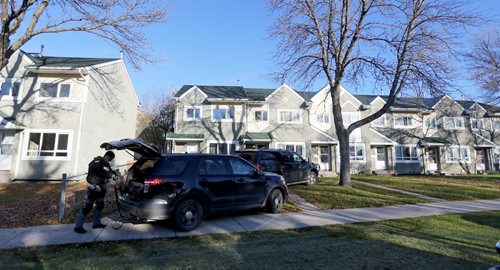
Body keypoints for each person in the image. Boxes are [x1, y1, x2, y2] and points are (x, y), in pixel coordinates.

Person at [74, 151, 116, 234]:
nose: (109, 161)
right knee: (88, 206)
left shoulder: (105, 164)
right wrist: (110, 175)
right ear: (107, 156)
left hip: (101, 188)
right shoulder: (97, 162)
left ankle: (96, 223)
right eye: (110, 159)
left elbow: (109, 171)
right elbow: (100, 171)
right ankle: (78, 226)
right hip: (95, 187)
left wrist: (114, 173)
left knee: (100, 205)